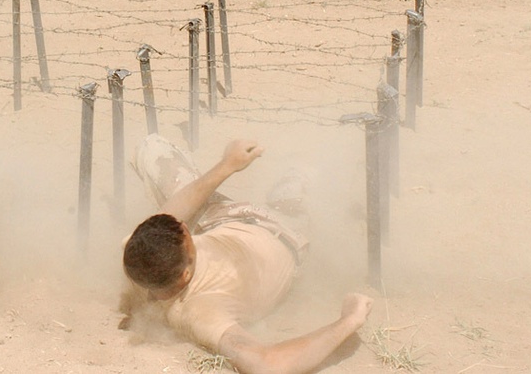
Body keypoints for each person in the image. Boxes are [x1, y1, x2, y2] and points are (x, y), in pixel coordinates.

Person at [120, 134, 373, 374]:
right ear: (186, 275)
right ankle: (292, 184)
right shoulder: (199, 313)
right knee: (304, 178)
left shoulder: (138, 258)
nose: (183, 225)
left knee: (151, 147)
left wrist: (227, 165)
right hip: (285, 231)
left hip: (222, 217)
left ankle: (285, 185)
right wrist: (348, 321)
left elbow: (171, 217)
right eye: (185, 235)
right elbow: (266, 365)